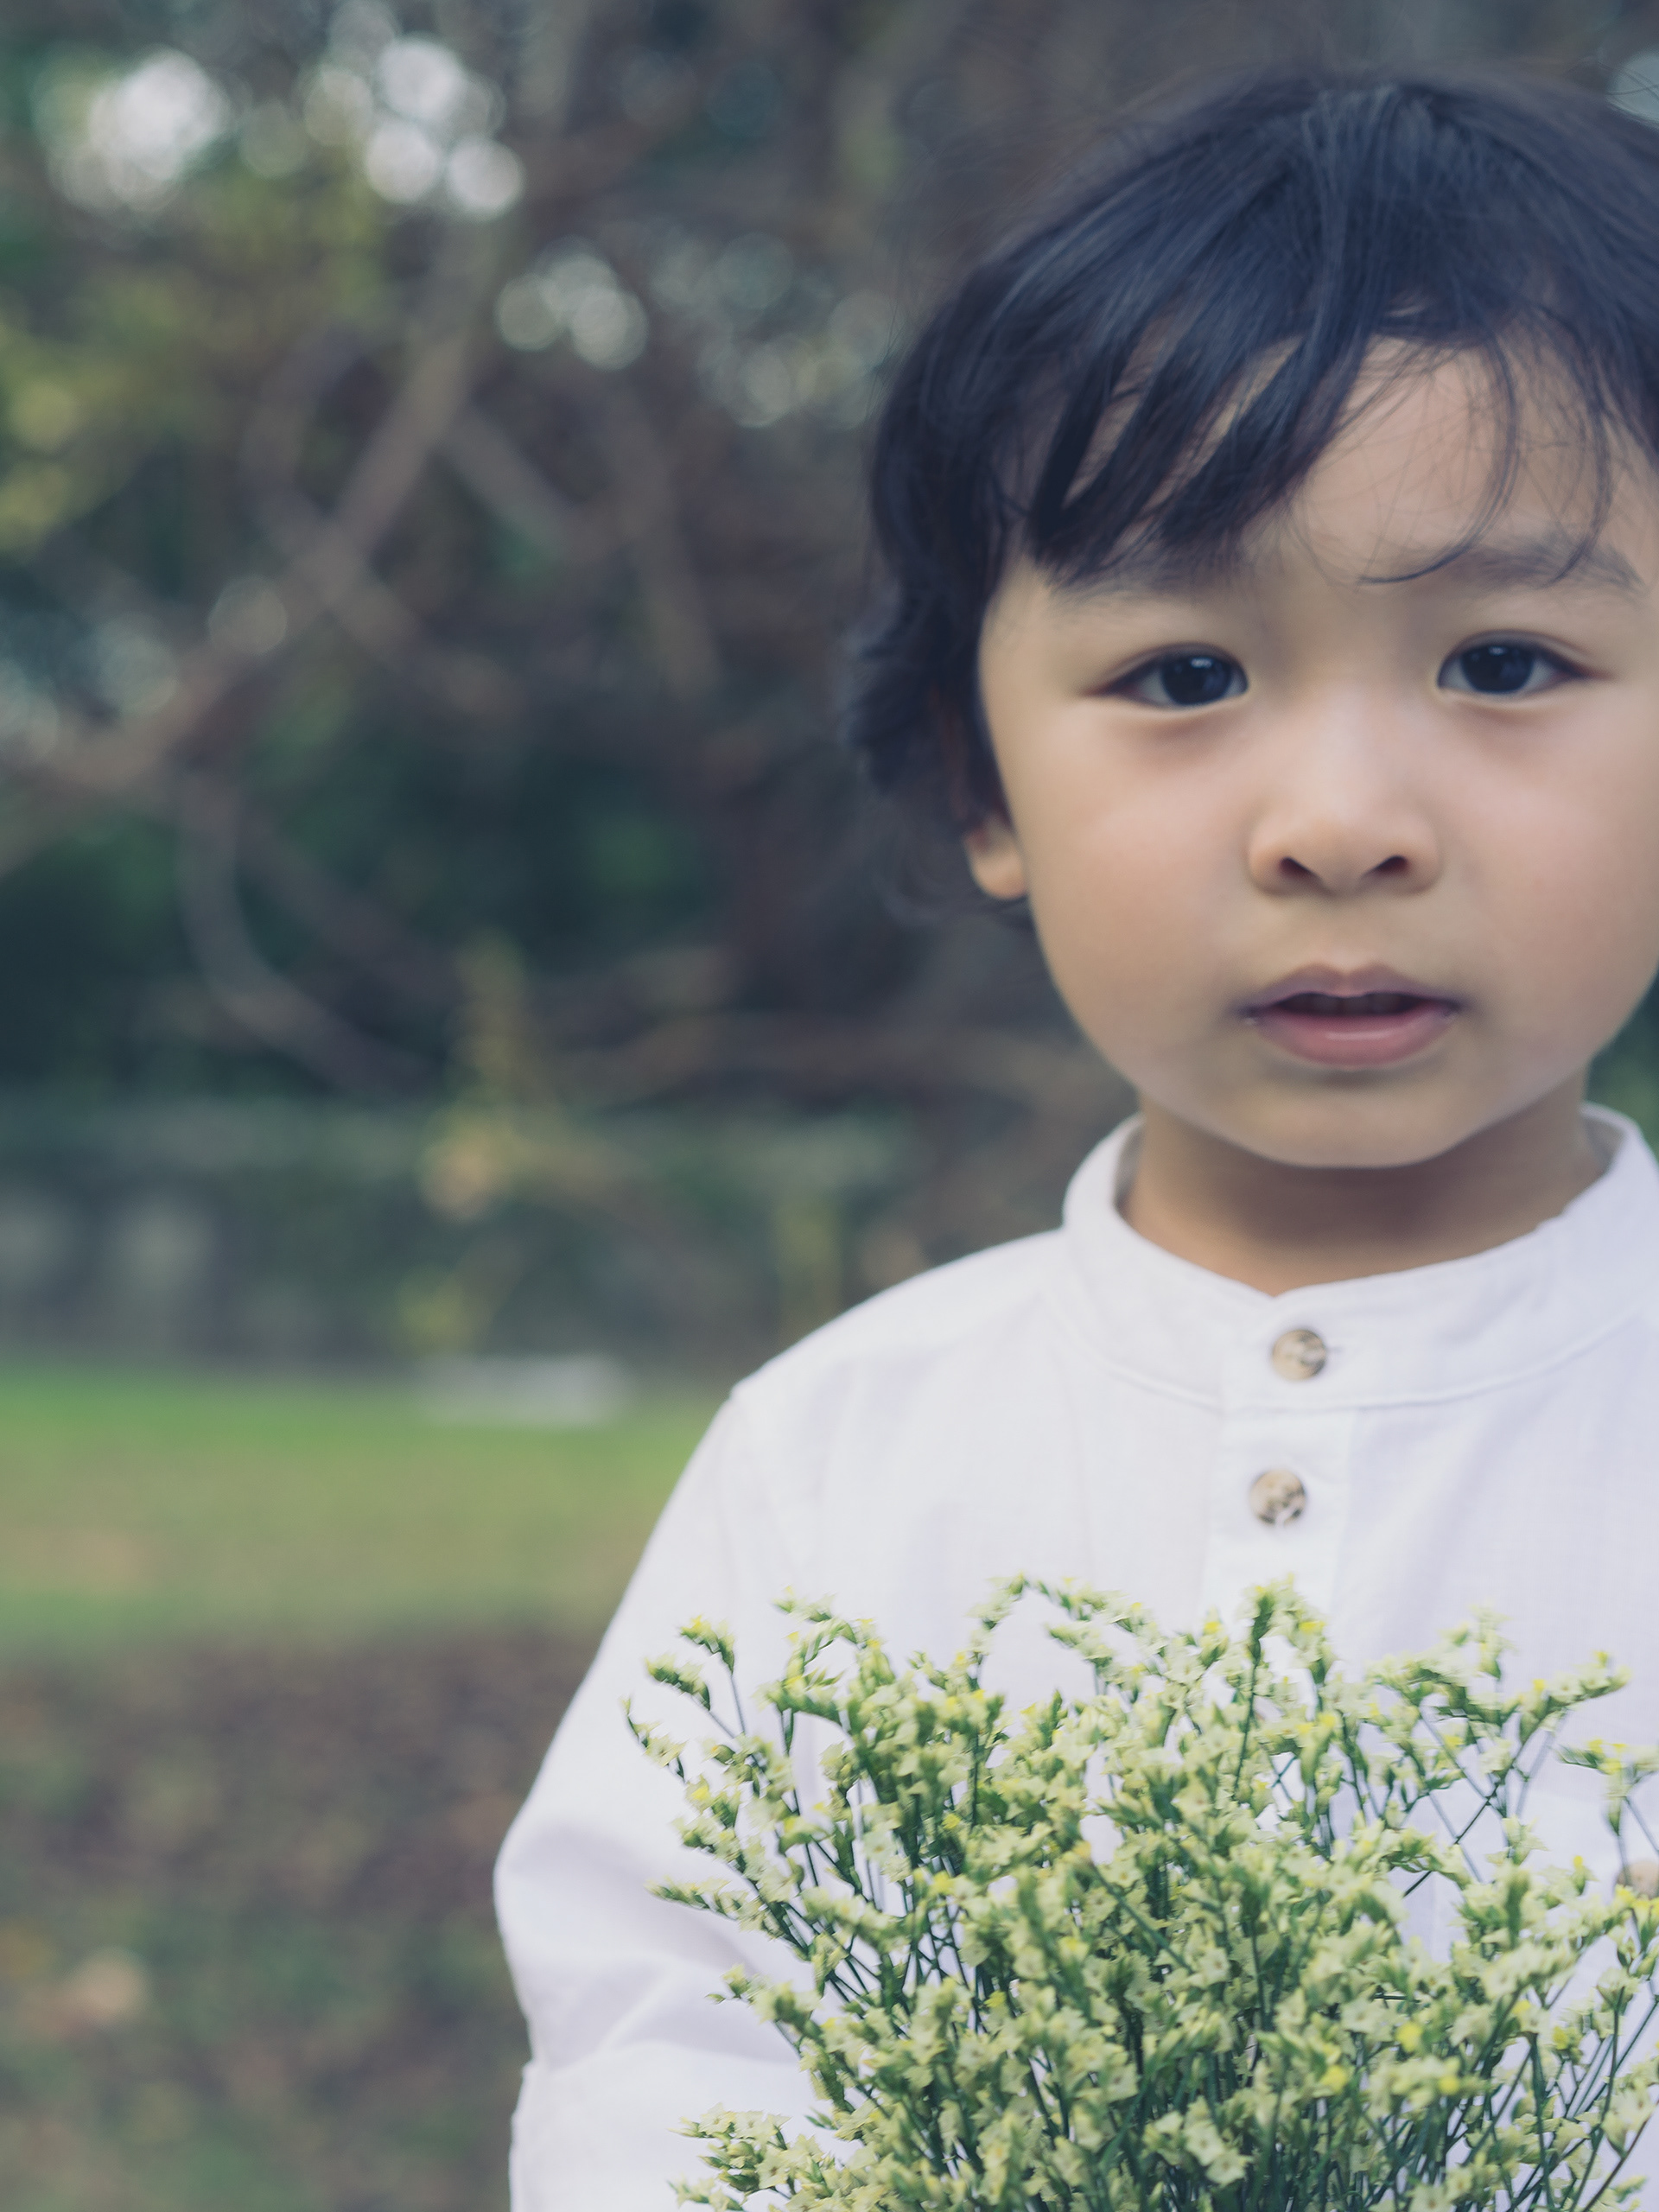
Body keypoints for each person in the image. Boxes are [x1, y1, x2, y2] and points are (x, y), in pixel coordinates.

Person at [497, 61, 1659, 2208]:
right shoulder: (838, 1458)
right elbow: (658, 2038)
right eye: (1188, 674)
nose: (1341, 825)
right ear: (980, 781)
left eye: (1505, 660)